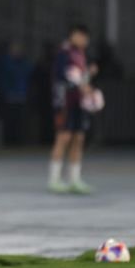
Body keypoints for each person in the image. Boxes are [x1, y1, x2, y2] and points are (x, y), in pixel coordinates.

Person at [47, 24, 99, 194]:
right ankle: (54, 180)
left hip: (80, 102)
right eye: (79, 35)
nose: (83, 39)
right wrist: (82, 84)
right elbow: (64, 76)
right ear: (72, 36)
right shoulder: (64, 53)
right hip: (65, 102)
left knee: (79, 138)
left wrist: (89, 74)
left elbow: (83, 78)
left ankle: (75, 179)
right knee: (63, 137)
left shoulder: (83, 55)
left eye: (85, 37)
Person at [0, 39, 33, 146]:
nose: (17, 51)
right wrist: (6, 93)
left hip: (21, 96)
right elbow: (5, 79)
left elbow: (27, 73)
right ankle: (8, 141)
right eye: (14, 49)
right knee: (9, 121)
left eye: (18, 49)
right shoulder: (5, 62)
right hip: (9, 96)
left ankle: (18, 141)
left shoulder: (23, 62)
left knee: (19, 121)